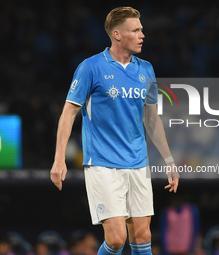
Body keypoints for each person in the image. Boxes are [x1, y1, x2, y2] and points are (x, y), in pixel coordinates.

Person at [50, 6, 179, 255]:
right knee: (118, 238)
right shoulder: (91, 67)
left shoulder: (146, 69)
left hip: (138, 162)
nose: (143, 34)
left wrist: (169, 160)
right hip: (103, 163)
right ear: (117, 34)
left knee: (142, 235)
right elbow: (68, 113)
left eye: (142, 29)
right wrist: (59, 159)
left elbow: (151, 120)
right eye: (136, 30)